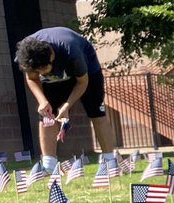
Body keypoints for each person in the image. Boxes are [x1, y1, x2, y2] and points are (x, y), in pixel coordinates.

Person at [15, 26, 117, 174]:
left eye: (43, 69)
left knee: (97, 113)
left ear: (51, 56)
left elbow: (82, 82)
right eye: (38, 71)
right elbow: (31, 78)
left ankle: (110, 161)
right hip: (55, 79)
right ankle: (49, 165)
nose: (41, 74)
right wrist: (42, 101)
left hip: (87, 74)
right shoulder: (27, 54)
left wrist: (67, 105)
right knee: (46, 116)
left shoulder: (71, 50)